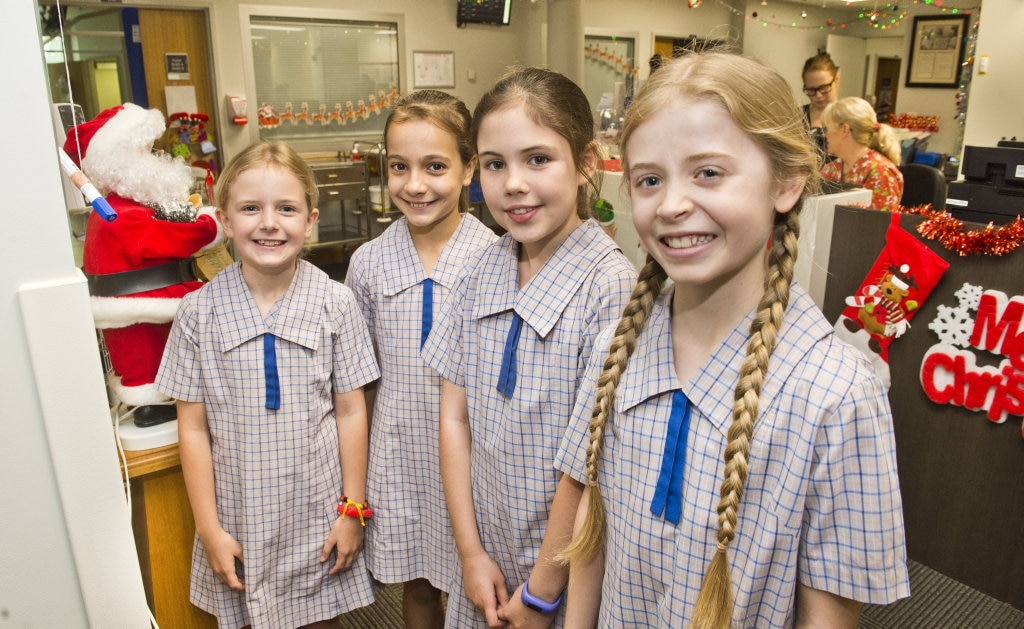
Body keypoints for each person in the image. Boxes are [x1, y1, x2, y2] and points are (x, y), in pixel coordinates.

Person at [556, 51, 910, 627]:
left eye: (709, 172)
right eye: (650, 179)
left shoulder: (838, 398)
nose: (671, 204)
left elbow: (829, 612)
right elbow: (590, 539)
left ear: (787, 182)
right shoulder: (613, 349)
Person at [420, 66, 637, 628]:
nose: (513, 183)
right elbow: (454, 416)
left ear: (587, 162)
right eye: (494, 164)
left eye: (537, 159)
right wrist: (470, 553)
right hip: (483, 553)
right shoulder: (481, 264)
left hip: (561, 571)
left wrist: (541, 592)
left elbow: (585, 465)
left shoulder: (608, 287)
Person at [155, 141, 379, 629]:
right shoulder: (198, 312)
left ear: (311, 219)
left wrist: (353, 509)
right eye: (251, 208)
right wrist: (209, 528)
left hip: (320, 513)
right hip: (237, 518)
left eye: (287, 208)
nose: (269, 223)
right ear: (226, 221)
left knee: (322, 620)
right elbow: (192, 429)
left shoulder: (336, 304)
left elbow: (351, 411)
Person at [345, 89, 497, 629]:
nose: (415, 185)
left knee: (485, 585)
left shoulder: (495, 258)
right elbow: (357, 383)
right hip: (401, 455)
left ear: (467, 169)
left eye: (435, 166)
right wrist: (353, 485)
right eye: (399, 167)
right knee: (420, 583)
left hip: (478, 458)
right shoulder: (368, 264)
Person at [820, 96, 905, 210]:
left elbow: (881, 225)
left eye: (827, 129)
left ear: (845, 129)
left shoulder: (881, 173)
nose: (824, 135)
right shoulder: (831, 169)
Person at [801, 52, 840, 162]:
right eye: (811, 90)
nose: (818, 95)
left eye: (824, 88)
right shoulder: (797, 117)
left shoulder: (850, 117)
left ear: (836, 80)